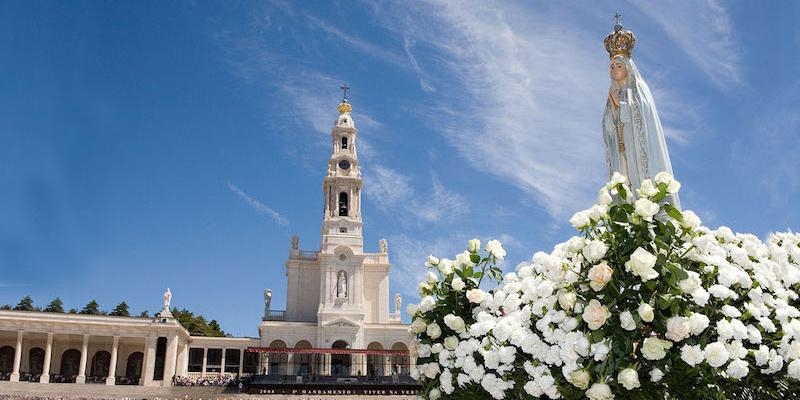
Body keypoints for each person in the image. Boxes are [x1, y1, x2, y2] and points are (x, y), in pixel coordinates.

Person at [602, 19, 680, 208]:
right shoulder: (611, 94)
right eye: (612, 66)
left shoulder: (638, 88)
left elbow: (643, 114)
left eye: (618, 66)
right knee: (624, 190)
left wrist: (621, 106)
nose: (614, 70)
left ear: (627, 67)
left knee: (642, 189)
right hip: (621, 152)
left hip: (638, 150)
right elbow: (607, 128)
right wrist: (612, 111)